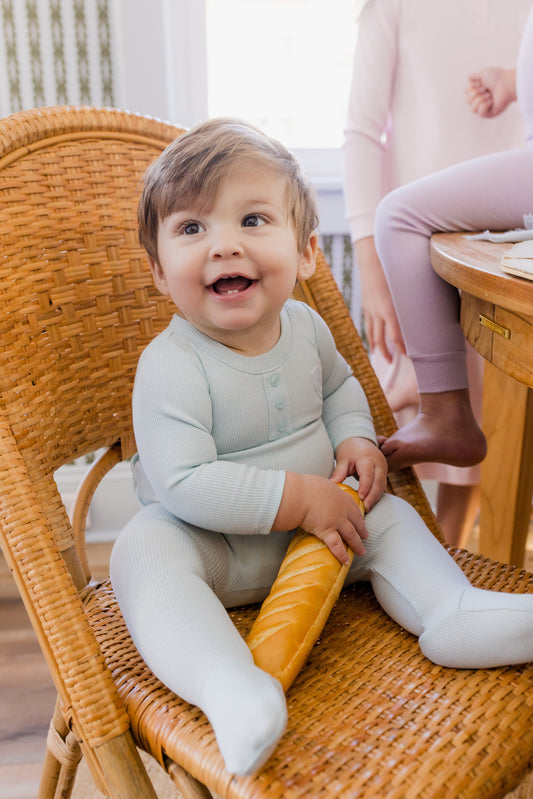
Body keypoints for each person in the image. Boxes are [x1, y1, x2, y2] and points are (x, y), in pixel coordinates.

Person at [110, 118, 533, 778]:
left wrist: (356, 438)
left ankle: (449, 610)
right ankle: (226, 682)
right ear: (159, 270)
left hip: (330, 538)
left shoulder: (304, 327)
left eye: (252, 220)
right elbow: (183, 480)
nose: (224, 246)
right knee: (144, 549)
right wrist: (297, 495)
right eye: (192, 229)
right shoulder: (170, 365)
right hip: (215, 547)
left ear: (306, 252)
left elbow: (338, 389)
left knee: (389, 514)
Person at [343, 0, 530, 545]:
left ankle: (449, 561)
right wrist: (373, 273)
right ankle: (402, 556)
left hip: (498, 255)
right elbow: (362, 134)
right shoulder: (394, 7)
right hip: (414, 263)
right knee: (398, 407)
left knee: (483, 425)